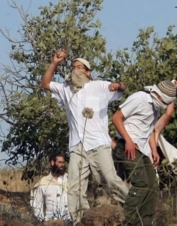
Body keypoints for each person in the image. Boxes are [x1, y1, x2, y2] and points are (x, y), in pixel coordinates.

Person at [41, 50, 129, 225]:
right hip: (77, 145)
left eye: (80, 67)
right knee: (74, 186)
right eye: (73, 67)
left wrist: (118, 85)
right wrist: (54, 63)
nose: (76, 70)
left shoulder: (99, 86)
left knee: (109, 179)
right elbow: (45, 84)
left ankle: (134, 207)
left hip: (98, 143)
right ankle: (80, 220)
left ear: (88, 72)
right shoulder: (66, 90)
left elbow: (122, 87)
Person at [112, 80, 177, 225]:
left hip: (141, 149)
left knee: (152, 186)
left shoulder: (156, 107)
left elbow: (148, 131)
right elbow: (116, 118)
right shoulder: (139, 98)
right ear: (159, 96)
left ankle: (145, 222)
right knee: (141, 183)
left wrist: (154, 150)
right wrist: (128, 140)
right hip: (126, 145)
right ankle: (127, 220)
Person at [30, 154, 71, 224]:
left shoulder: (69, 179)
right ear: (52, 163)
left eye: (63, 162)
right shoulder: (43, 182)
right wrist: (42, 221)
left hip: (68, 221)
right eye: (59, 162)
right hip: (50, 222)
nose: (62, 165)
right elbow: (37, 204)